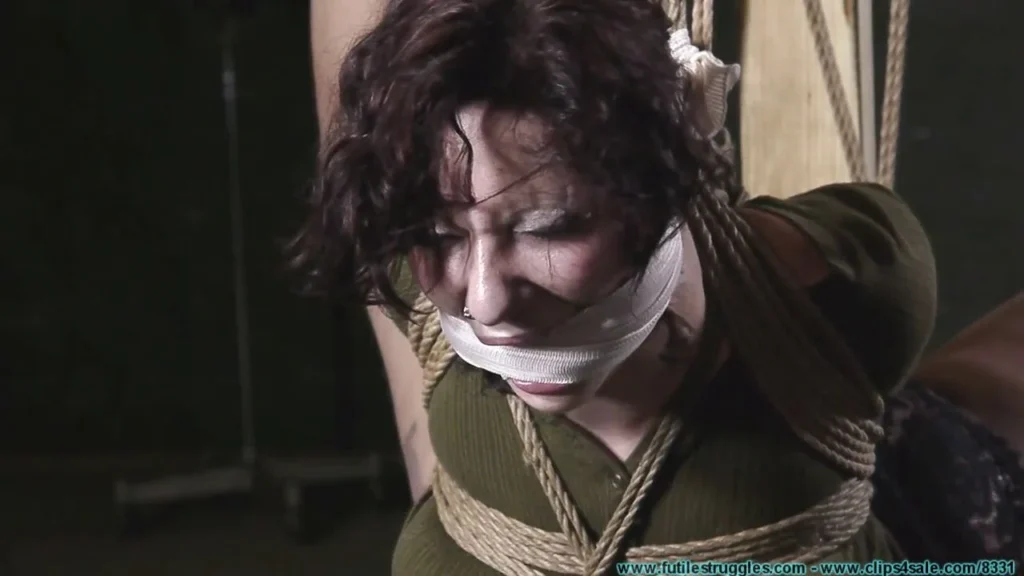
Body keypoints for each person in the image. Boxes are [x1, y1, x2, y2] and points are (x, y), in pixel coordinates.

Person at [300, 0, 1022, 572]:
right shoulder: (412, 280)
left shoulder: (840, 282)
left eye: (551, 229)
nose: (483, 302)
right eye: (441, 235)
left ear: (664, 186)